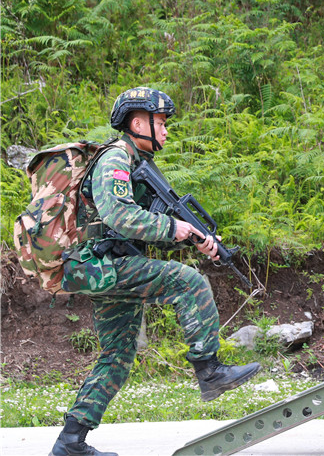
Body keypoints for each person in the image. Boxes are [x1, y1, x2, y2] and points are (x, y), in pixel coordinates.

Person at [50, 88, 261, 456]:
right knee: (189, 283)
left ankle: (70, 441)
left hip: (104, 265)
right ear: (137, 123)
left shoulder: (137, 164)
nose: (165, 131)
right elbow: (120, 216)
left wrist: (193, 238)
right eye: (160, 123)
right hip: (99, 264)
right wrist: (174, 228)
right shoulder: (116, 158)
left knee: (117, 356)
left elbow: (142, 227)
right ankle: (209, 371)